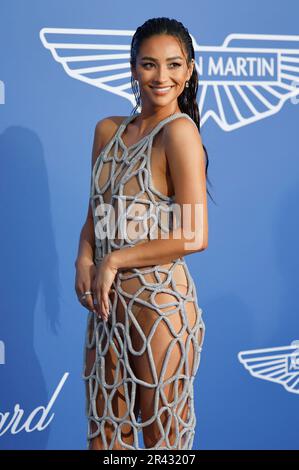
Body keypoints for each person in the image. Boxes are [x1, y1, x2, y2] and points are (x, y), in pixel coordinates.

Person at [75, 17, 212, 450]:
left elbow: (194, 235)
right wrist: (84, 258)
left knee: (161, 441)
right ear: (133, 68)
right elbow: (98, 211)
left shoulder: (181, 132)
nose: (162, 76)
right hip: (106, 307)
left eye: (174, 65)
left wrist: (112, 260)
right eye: (149, 64)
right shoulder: (106, 131)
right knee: (105, 437)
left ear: (188, 70)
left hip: (160, 304)